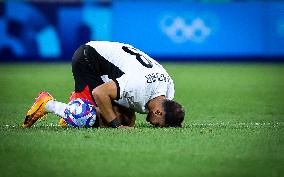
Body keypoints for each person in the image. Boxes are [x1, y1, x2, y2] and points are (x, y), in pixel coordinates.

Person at [22, 41, 185, 128]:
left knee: (126, 119)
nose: (156, 126)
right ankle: (48, 104)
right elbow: (100, 93)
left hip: (110, 67)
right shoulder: (138, 85)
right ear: (159, 112)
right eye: (160, 126)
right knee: (92, 118)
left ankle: (76, 104)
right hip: (89, 58)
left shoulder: (168, 91)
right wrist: (116, 126)